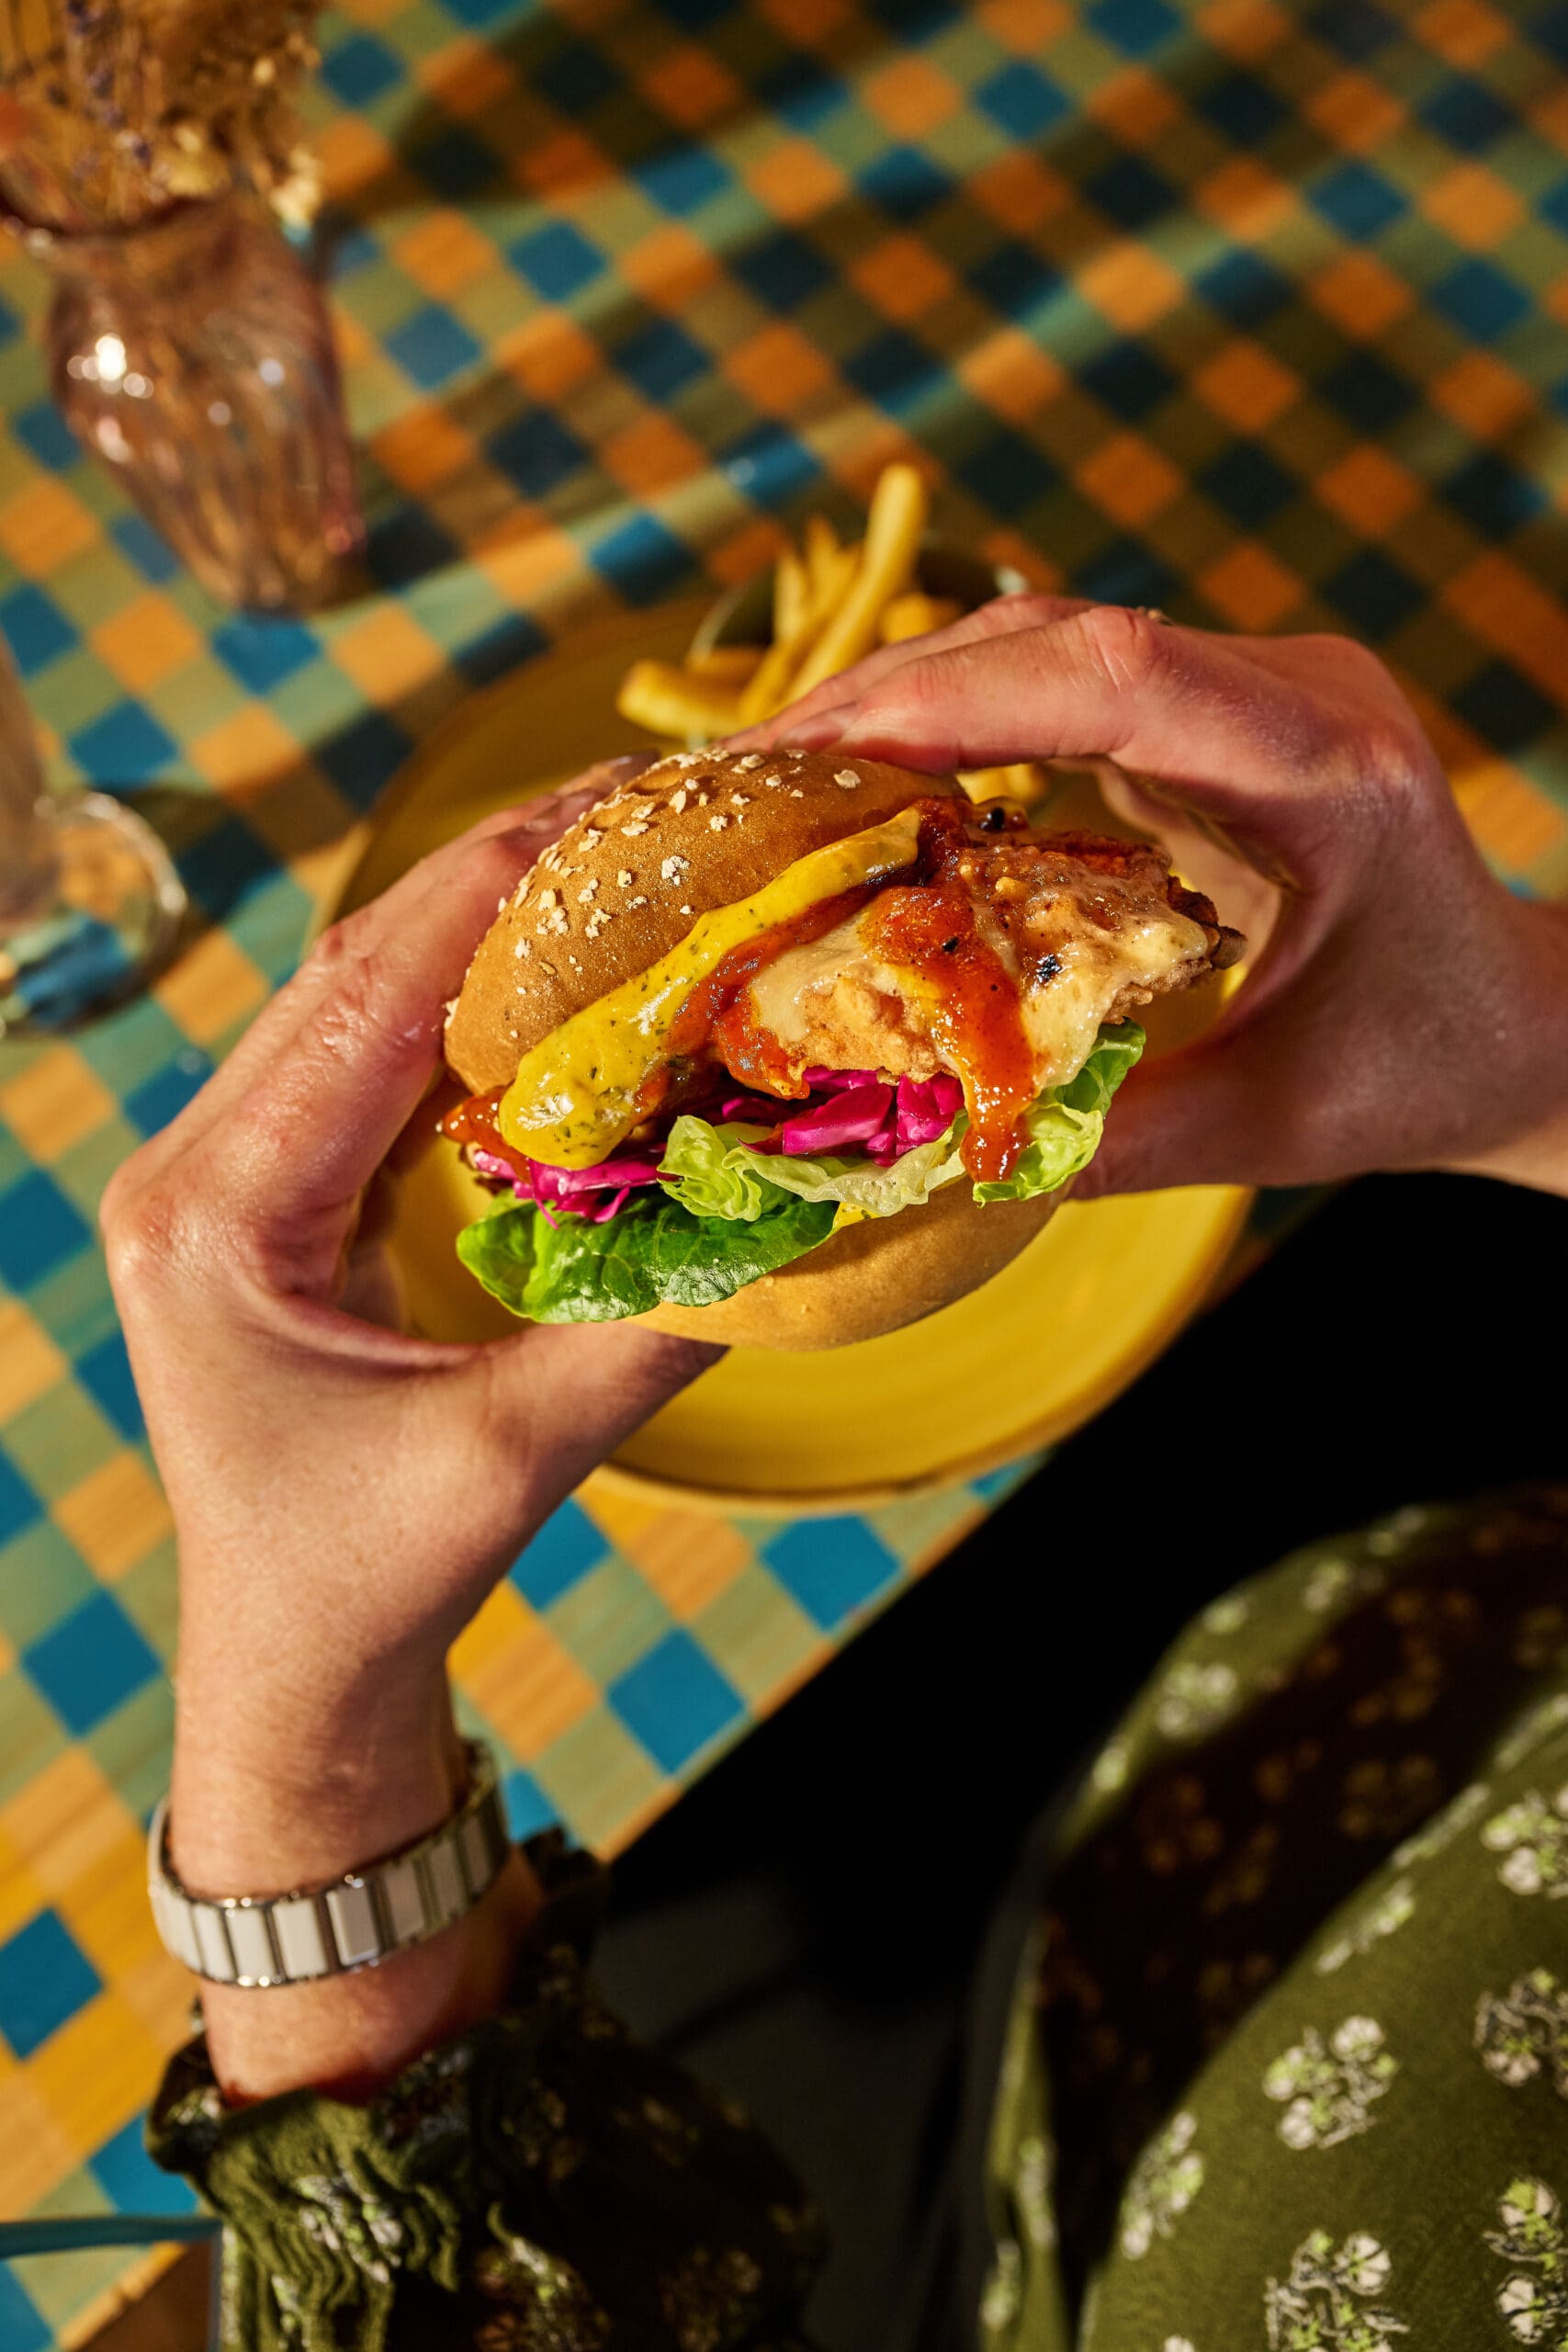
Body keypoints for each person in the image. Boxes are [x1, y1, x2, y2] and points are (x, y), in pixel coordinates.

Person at [103, 601, 1568, 2350]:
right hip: (1357, 1677)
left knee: (691, 1904)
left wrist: (299, 1754)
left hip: (993, 2203)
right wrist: (1542, 1060)